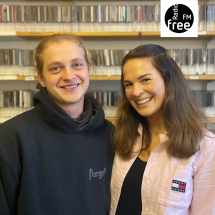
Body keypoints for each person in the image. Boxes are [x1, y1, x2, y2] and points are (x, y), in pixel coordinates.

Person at [0, 34, 114, 215]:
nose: (69, 76)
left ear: (87, 70)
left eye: (77, 65)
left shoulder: (112, 134)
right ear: (41, 78)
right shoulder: (11, 136)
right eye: (55, 68)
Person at [110, 44, 215, 215]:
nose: (135, 92)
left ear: (169, 81)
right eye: (128, 84)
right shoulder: (119, 131)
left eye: (145, 79)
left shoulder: (205, 147)